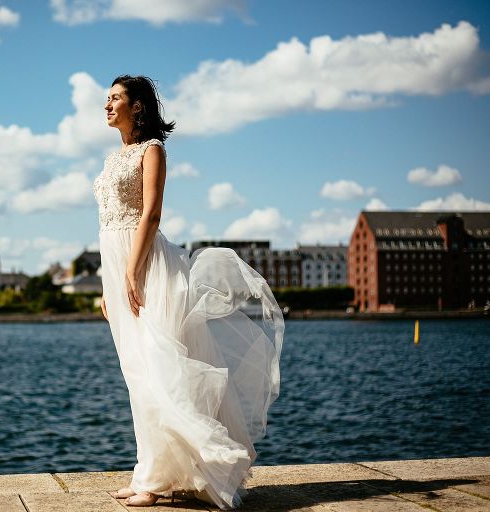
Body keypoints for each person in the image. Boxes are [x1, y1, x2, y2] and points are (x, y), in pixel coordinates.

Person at [93, 75, 284, 509]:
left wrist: (131, 271)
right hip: (118, 266)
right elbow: (107, 225)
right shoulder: (111, 158)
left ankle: (158, 480)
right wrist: (110, 283)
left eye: (115, 98)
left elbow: (152, 214)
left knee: (158, 371)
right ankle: (153, 472)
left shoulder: (152, 150)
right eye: (106, 98)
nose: (107, 104)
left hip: (145, 266)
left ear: (137, 106)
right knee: (137, 376)